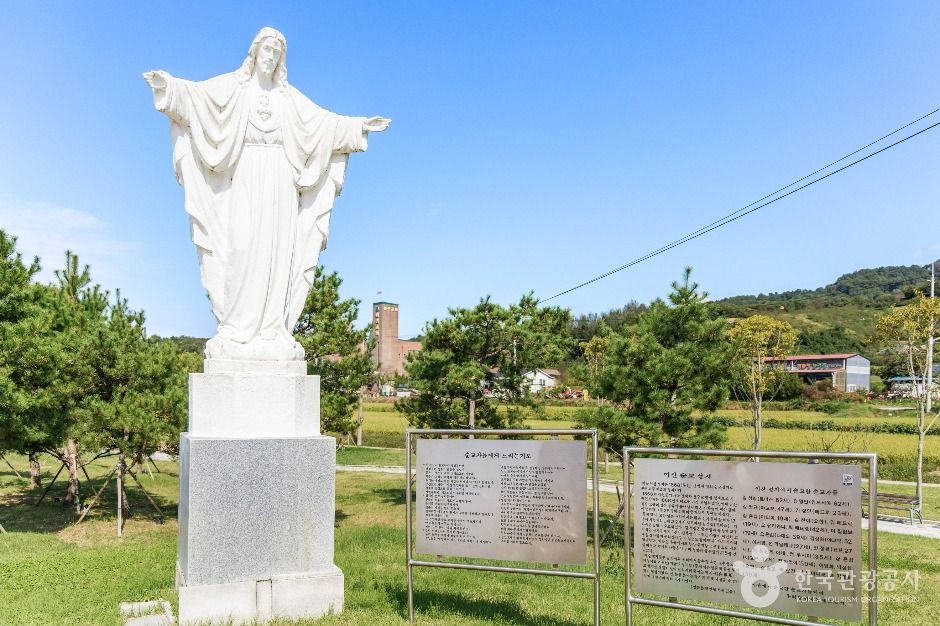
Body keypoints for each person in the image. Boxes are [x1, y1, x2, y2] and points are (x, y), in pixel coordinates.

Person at [144, 27, 389, 361]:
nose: (270, 57)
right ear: (254, 53)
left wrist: (358, 126)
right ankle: (234, 327)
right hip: (245, 174)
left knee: (277, 253)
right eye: (266, 50)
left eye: (277, 52)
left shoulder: (289, 100)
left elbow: (324, 124)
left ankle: (273, 329)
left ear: (281, 60)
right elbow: (198, 98)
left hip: (281, 181)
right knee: (242, 247)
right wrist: (168, 87)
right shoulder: (234, 89)